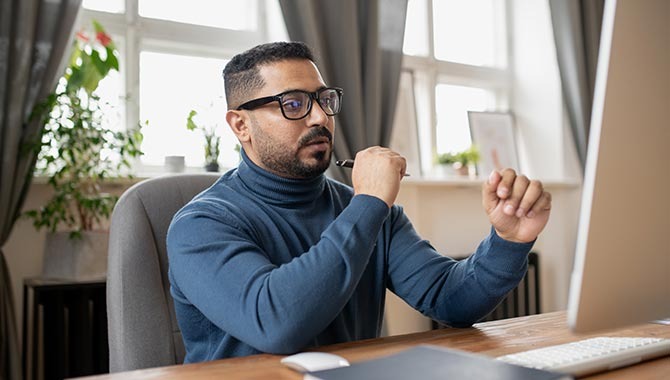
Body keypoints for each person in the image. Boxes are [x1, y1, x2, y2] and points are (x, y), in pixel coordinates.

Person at [166, 41, 552, 363]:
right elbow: (275, 324)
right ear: (240, 125)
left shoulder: (369, 212)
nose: (320, 116)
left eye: (323, 99)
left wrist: (508, 240)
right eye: (294, 104)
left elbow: (450, 300)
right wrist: (368, 202)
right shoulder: (200, 225)